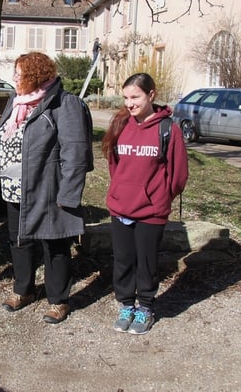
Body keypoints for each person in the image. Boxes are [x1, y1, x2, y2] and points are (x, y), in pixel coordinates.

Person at [0, 52, 92, 324]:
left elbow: (75, 153)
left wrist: (68, 194)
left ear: (35, 76)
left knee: (54, 245)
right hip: (13, 189)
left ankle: (58, 300)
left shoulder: (64, 104)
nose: (14, 78)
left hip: (47, 190)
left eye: (19, 73)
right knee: (18, 241)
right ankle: (24, 289)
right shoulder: (16, 102)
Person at [101, 72, 189, 334]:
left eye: (135, 97)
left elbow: (178, 175)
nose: (129, 103)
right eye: (126, 98)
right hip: (121, 207)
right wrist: (121, 191)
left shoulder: (168, 130)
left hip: (151, 211)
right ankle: (127, 304)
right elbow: (115, 166)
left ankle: (146, 307)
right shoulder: (120, 125)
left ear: (151, 95)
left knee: (147, 262)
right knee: (124, 260)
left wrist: (158, 197)